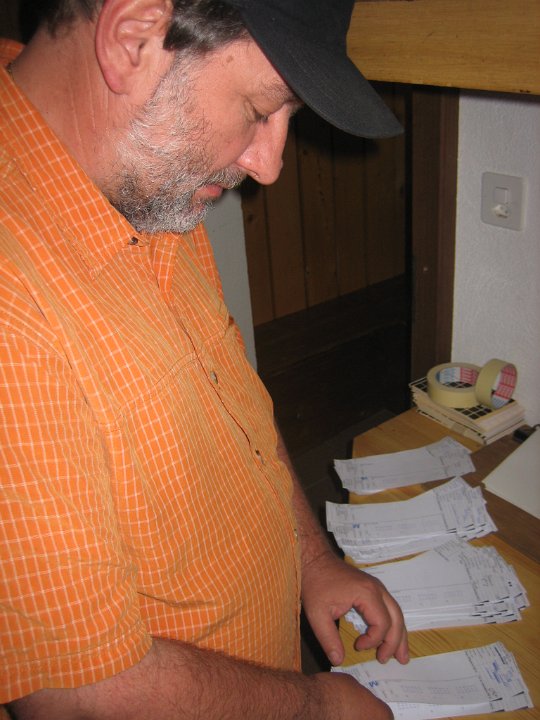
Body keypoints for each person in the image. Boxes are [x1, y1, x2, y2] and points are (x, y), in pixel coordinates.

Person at [0, 0, 408, 717]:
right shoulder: (14, 300)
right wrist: (321, 708)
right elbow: (81, 695)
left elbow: (231, 401)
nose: (269, 164)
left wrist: (311, 559)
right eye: (258, 110)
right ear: (132, 39)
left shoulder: (142, 172)